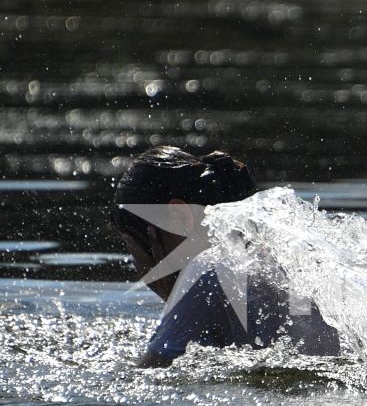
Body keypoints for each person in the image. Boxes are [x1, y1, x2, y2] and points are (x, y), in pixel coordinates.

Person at [113, 145, 339, 366]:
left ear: (179, 217)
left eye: (136, 251)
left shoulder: (206, 270)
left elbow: (147, 375)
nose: (143, 271)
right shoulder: (285, 254)